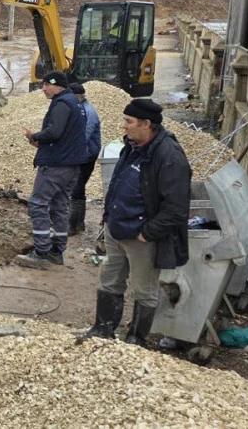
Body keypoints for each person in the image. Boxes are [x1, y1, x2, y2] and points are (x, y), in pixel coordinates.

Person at [82, 99, 191, 344]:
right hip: (117, 229)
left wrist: (148, 233)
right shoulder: (131, 147)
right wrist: (108, 219)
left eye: (128, 121)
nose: (123, 126)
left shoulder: (169, 156)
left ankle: (135, 339)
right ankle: (103, 330)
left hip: (141, 237)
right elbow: (118, 184)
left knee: (144, 290)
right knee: (110, 280)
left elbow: (176, 208)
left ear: (146, 124)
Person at [18, 71, 88, 267]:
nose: (43, 89)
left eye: (47, 85)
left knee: (38, 204)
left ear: (58, 86)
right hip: (71, 165)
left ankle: (41, 252)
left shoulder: (62, 104)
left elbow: (54, 132)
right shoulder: (75, 103)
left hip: (56, 165)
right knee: (60, 206)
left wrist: (35, 136)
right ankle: (57, 251)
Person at [69, 83, 102, 235]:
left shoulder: (87, 113)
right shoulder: (82, 109)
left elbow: (83, 137)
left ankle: (72, 225)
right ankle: (79, 223)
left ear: (79, 96)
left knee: (75, 189)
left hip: (86, 155)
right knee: (79, 188)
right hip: (86, 154)